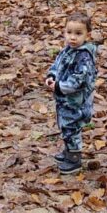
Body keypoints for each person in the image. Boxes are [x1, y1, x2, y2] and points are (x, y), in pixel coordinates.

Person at [45, 12, 98, 174]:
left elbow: (78, 81)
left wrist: (59, 86)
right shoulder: (67, 50)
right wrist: (51, 76)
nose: (72, 37)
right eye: (69, 33)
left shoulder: (84, 57)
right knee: (65, 125)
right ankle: (68, 151)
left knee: (72, 128)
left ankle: (74, 159)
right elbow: (57, 65)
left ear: (87, 35)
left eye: (78, 33)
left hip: (76, 102)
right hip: (65, 100)